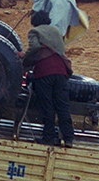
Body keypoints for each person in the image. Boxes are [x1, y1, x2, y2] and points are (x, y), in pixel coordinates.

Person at [21, 10, 75, 147]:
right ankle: (68, 138)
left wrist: (25, 58)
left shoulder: (35, 32)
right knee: (63, 106)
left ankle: (48, 138)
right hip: (61, 72)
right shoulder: (56, 31)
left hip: (44, 72)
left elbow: (34, 47)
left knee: (47, 106)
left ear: (34, 22)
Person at [21, 0, 89, 44]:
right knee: (60, 28)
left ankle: (51, 48)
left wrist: (35, 9)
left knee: (55, 29)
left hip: (59, 1)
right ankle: (57, 47)